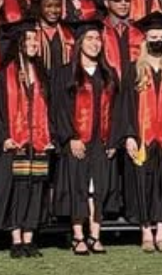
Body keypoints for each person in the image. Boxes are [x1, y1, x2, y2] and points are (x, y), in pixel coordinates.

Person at [118, 11, 162, 253]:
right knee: (143, 185)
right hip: (143, 138)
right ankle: (146, 232)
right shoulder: (134, 70)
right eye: (153, 36)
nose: (158, 40)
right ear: (145, 40)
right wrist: (128, 136)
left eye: (161, 36)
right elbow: (124, 106)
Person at [50, 19, 118, 255]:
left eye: (98, 38)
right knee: (76, 186)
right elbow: (58, 108)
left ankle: (95, 235)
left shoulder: (108, 74)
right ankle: (78, 235)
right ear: (79, 43)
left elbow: (117, 109)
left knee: (97, 188)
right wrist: (70, 138)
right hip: (77, 140)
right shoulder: (64, 73)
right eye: (89, 39)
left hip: (101, 141)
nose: (94, 43)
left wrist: (113, 139)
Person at [0, 20, 52, 258]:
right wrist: (3, 137)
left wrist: (49, 134)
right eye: (29, 40)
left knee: (35, 189)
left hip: (39, 143)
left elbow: (50, 108)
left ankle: (29, 237)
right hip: (15, 142)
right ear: (18, 44)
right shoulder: (4, 75)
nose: (34, 44)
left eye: (36, 40)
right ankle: (16, 239)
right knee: (17, 190)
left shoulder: (43, 73)